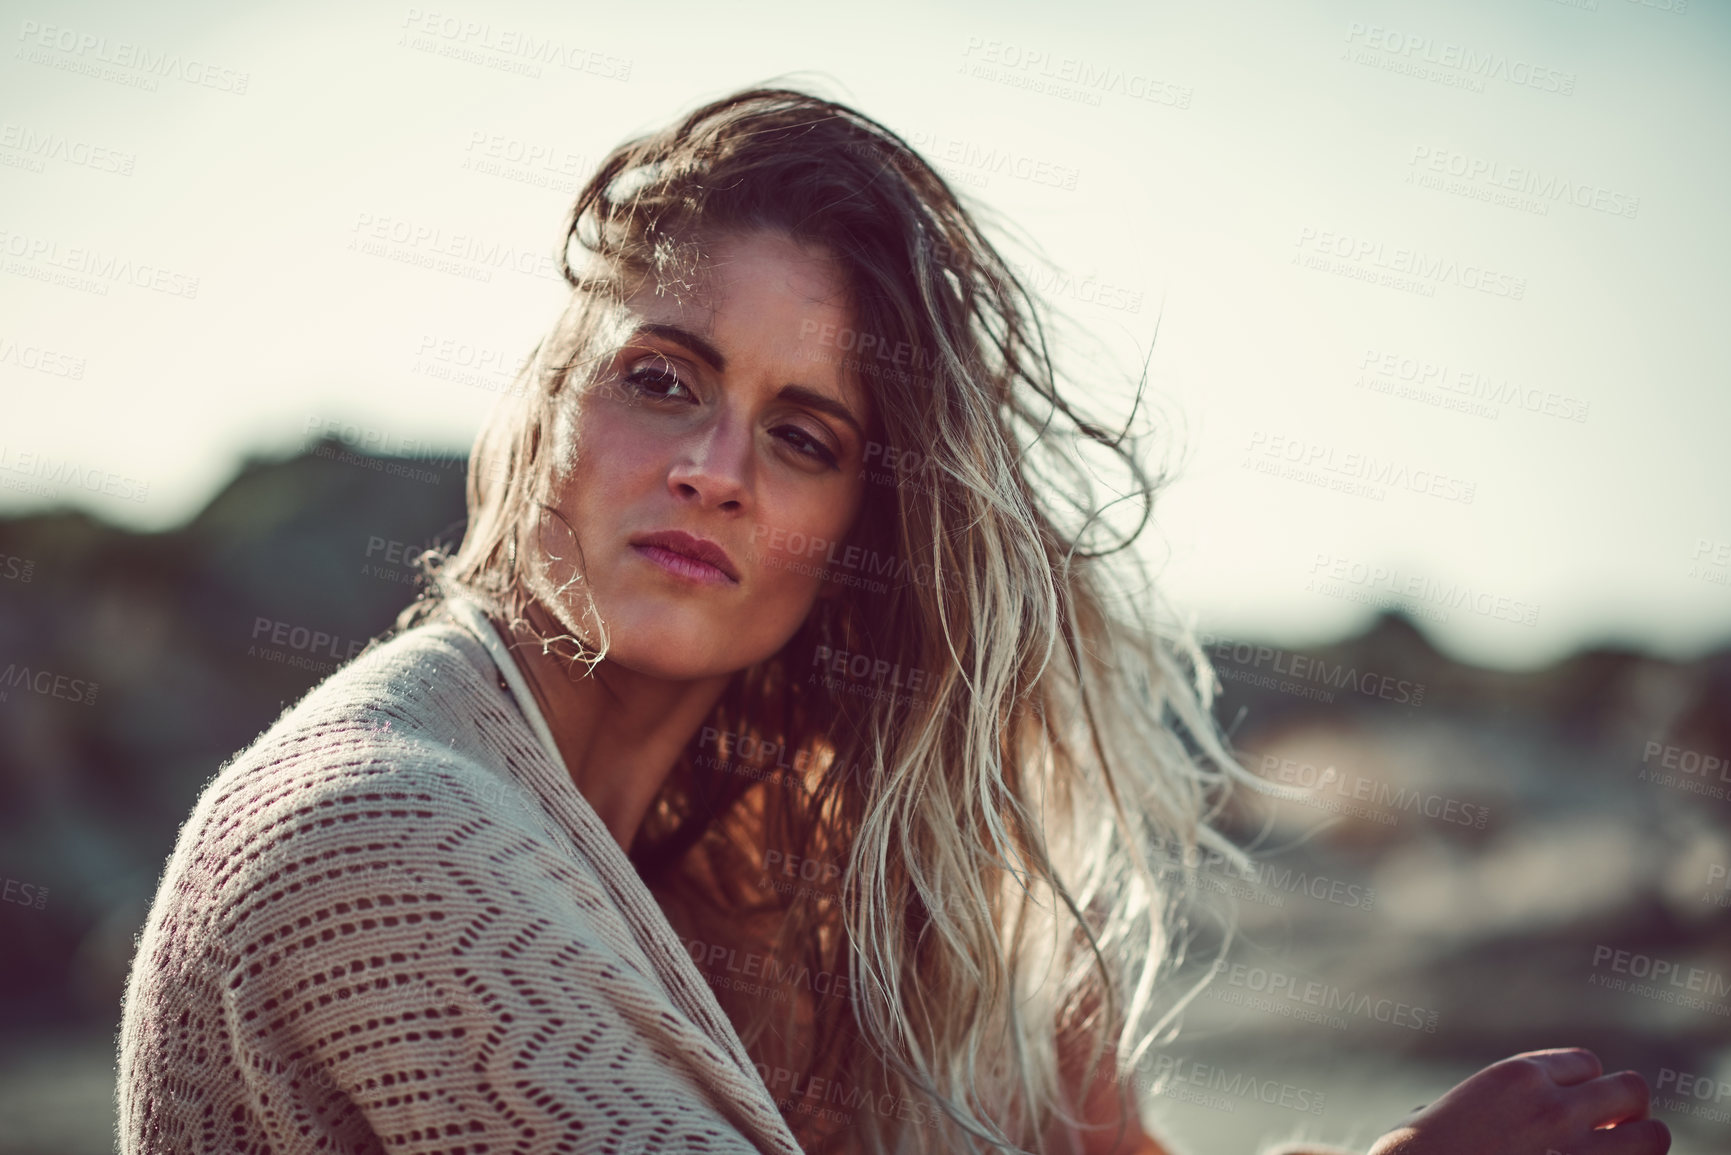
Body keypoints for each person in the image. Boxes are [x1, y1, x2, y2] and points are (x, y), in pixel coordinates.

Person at [115, 86, 1669, 1155]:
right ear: (545, 412)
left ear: (866, 536)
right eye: (661, 378)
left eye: (804, 434)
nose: (715, 471)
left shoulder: (735, 868)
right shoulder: (388, 831)